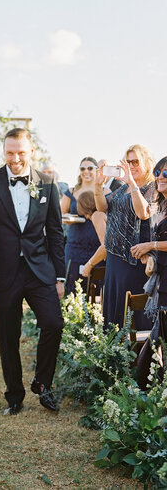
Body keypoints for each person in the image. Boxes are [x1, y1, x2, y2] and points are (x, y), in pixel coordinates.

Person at [0, 128, 65, 414]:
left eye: (21, 152)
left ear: (32, 151)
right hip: (4, 272)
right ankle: (14, 395)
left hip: (39, 271)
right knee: (7, 334)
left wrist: (60, 276)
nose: (15, 158)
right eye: (10, 152)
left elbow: (55, 232)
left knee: (53, 323)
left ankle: (43, 383)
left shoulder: (48, 183)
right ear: (3, 151)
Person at [95, 144, 155, 330]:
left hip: (134, 258)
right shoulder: (122, 189)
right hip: (115, 256)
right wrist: (98, 185)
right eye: (128, 162)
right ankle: (113, 352)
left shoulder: (151, 187)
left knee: (131, 310)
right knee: (114, 304)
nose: (131, 165)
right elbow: (102, 207)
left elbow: (143, 213)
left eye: (135, 161)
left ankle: (136, 354)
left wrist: (133, 183)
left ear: (146, 163)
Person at [130, 157, 167, 388]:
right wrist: (150, 256)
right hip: (162, 282)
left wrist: (150, 246)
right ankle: (149, 393)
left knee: (156, 343)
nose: (161, 177)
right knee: (156, 343)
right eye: (159, 172)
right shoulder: (161, 207)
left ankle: (148, 393)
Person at [60, 157, 103, 294]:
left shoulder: (104, 191)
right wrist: (67, 219)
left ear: (96, 170)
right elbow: (60, 214)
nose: (86, 171)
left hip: (98, 247)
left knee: (96, 286)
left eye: (90, 168)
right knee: (73, 286)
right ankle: (74, 315)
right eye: (83, 168)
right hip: (75, 246)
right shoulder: (71, 192)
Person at [77, 191, 107, 278]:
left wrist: (89, 265)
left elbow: (106, 246)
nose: (86, 217)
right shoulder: (103, 213)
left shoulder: (96, 216)